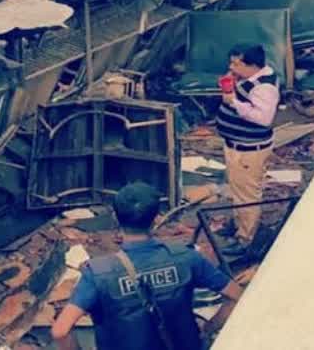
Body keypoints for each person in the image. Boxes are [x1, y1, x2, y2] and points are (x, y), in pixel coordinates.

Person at [51, 182, 243, 350]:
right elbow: (237, 296)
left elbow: (60, 331)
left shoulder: (98, 273)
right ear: (157, 219)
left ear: (116, 218)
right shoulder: (187, 257)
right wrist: (208, 330)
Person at [215, 43, 281, 257]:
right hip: (234, 144)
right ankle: (238, 224)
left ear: (252, 65)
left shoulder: (264, 87)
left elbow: (264, 119)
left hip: (249, 149)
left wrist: (233, 102)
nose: (231, 66)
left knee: (247, 195)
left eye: (236, 63)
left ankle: (246, 238)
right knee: (237, 189)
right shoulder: (248, 79)